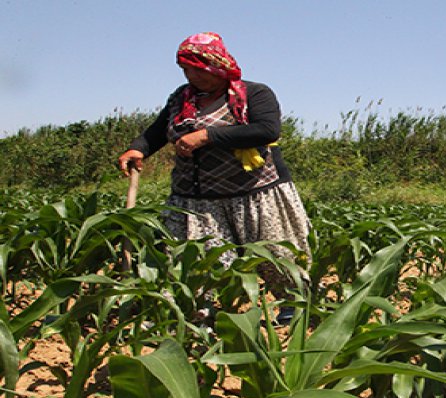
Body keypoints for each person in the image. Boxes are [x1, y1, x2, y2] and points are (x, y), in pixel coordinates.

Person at [117, 32, 311, 324]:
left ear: (217, 65)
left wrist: (207, 136)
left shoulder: (255, 93)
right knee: (193, 260)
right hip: (196, 198)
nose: (191, 76)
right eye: (185, 70)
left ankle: (293, 307)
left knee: (275, 253)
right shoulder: (181, 98)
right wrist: (139, 148)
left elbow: (267, 129)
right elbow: (159, 130)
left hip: (254, 192)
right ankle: (191, 314)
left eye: (198, 69)